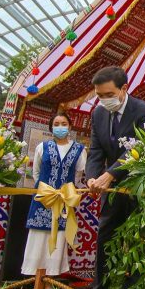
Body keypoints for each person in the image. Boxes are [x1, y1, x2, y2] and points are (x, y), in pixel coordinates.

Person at [85, 66, 145, 289]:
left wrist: (110, 174)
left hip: (140, 189)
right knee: (106, 237)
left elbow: (141, 148)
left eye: (109, 94)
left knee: (138, 241)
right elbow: (96, 150)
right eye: (99, 95)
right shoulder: (98, 114)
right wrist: (92, 177)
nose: (104, 100)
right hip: (111, 190)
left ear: (124, 88)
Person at [22, 112, 87, 277]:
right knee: (38, 234)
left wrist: (66, 191)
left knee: (59, 235)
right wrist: (45, 189)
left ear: (70, 126)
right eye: (56, 124)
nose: (60, 127)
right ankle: (34, 275)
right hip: (43, 198)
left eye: (64, 124)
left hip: (64, 199)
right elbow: (36, 172)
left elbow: (78, 174)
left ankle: (52, 275)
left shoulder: (79, 150)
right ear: (51, 127)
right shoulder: (42, 147)